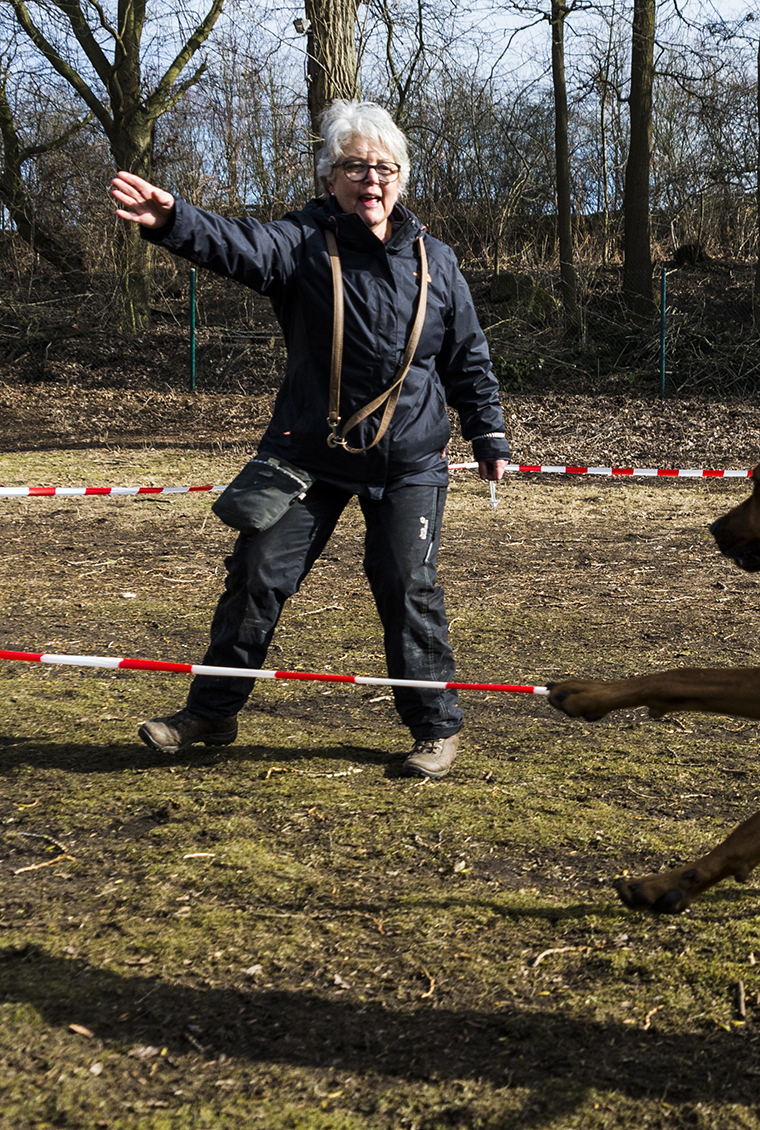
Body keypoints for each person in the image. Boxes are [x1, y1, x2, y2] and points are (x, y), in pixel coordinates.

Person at [109, 99, 508, 778]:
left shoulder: (436, 260)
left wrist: (488, 431)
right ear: (331, 179)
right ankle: (211, 712)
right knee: (258, 576)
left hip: (410, 460)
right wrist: (175, 221)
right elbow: (238, 245)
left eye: (384, 167)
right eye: (355, 166)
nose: (371, 179)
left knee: (408, 588)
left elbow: (467, 355)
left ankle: (436, 729)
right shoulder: (299, 243)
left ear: (402, 179)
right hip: (306, 457)